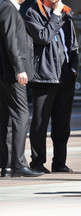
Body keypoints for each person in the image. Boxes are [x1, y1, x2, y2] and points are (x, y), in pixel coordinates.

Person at [24, 0, 79, 173]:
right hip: (43, 77)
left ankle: (59, 162)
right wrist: (55, 15)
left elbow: (73, 44)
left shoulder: (66, 14)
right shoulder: (32, 13)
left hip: (65, 77)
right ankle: (37, 162)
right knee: (40, 123)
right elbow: (43, 37)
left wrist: (73, 68)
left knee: (62, 124)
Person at [0, 0, 43, 177]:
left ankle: (7, 165)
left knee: (7, 119)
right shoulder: (8, 9)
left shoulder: (5, 8)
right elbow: (11, 42)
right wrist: (20, 69)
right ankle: (19, 164)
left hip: (6, 73)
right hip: (12, 74)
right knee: (21, 115)